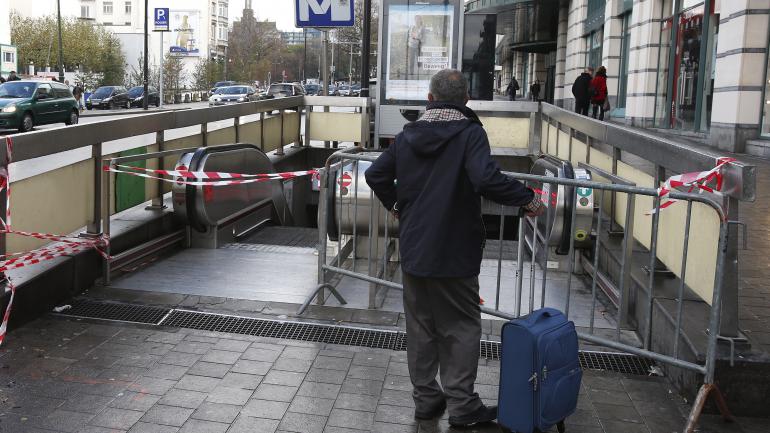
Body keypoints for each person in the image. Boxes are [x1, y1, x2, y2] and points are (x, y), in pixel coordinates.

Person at [365, 69, 544, 427]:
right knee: (460, 326)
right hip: (455, 251)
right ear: (465, 101)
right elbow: (484, 178)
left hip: (415, 249)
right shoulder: (470, 133)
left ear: (430, 100)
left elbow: (375, 175)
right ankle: (462, 407)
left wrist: (397, 205)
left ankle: (426, 401)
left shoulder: (407, 135)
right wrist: (526, 199)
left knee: (420, 327)